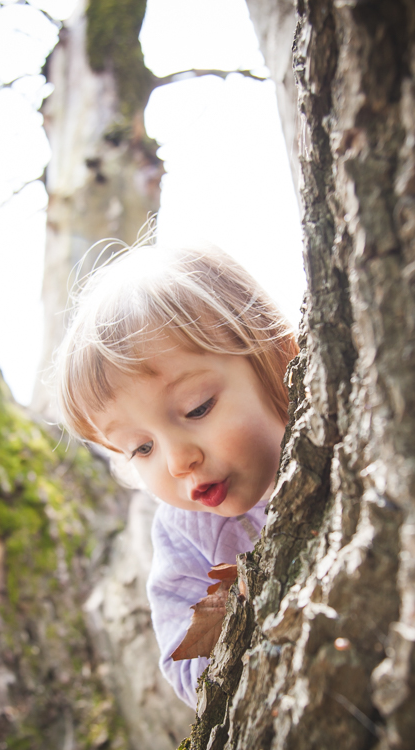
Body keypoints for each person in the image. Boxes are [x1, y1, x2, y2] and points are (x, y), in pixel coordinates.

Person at [53, 242, 298, 706]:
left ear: (278, 355)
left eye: (196, 407)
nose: (176, 461)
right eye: (140, 447)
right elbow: (186, 665)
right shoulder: (185, 534)